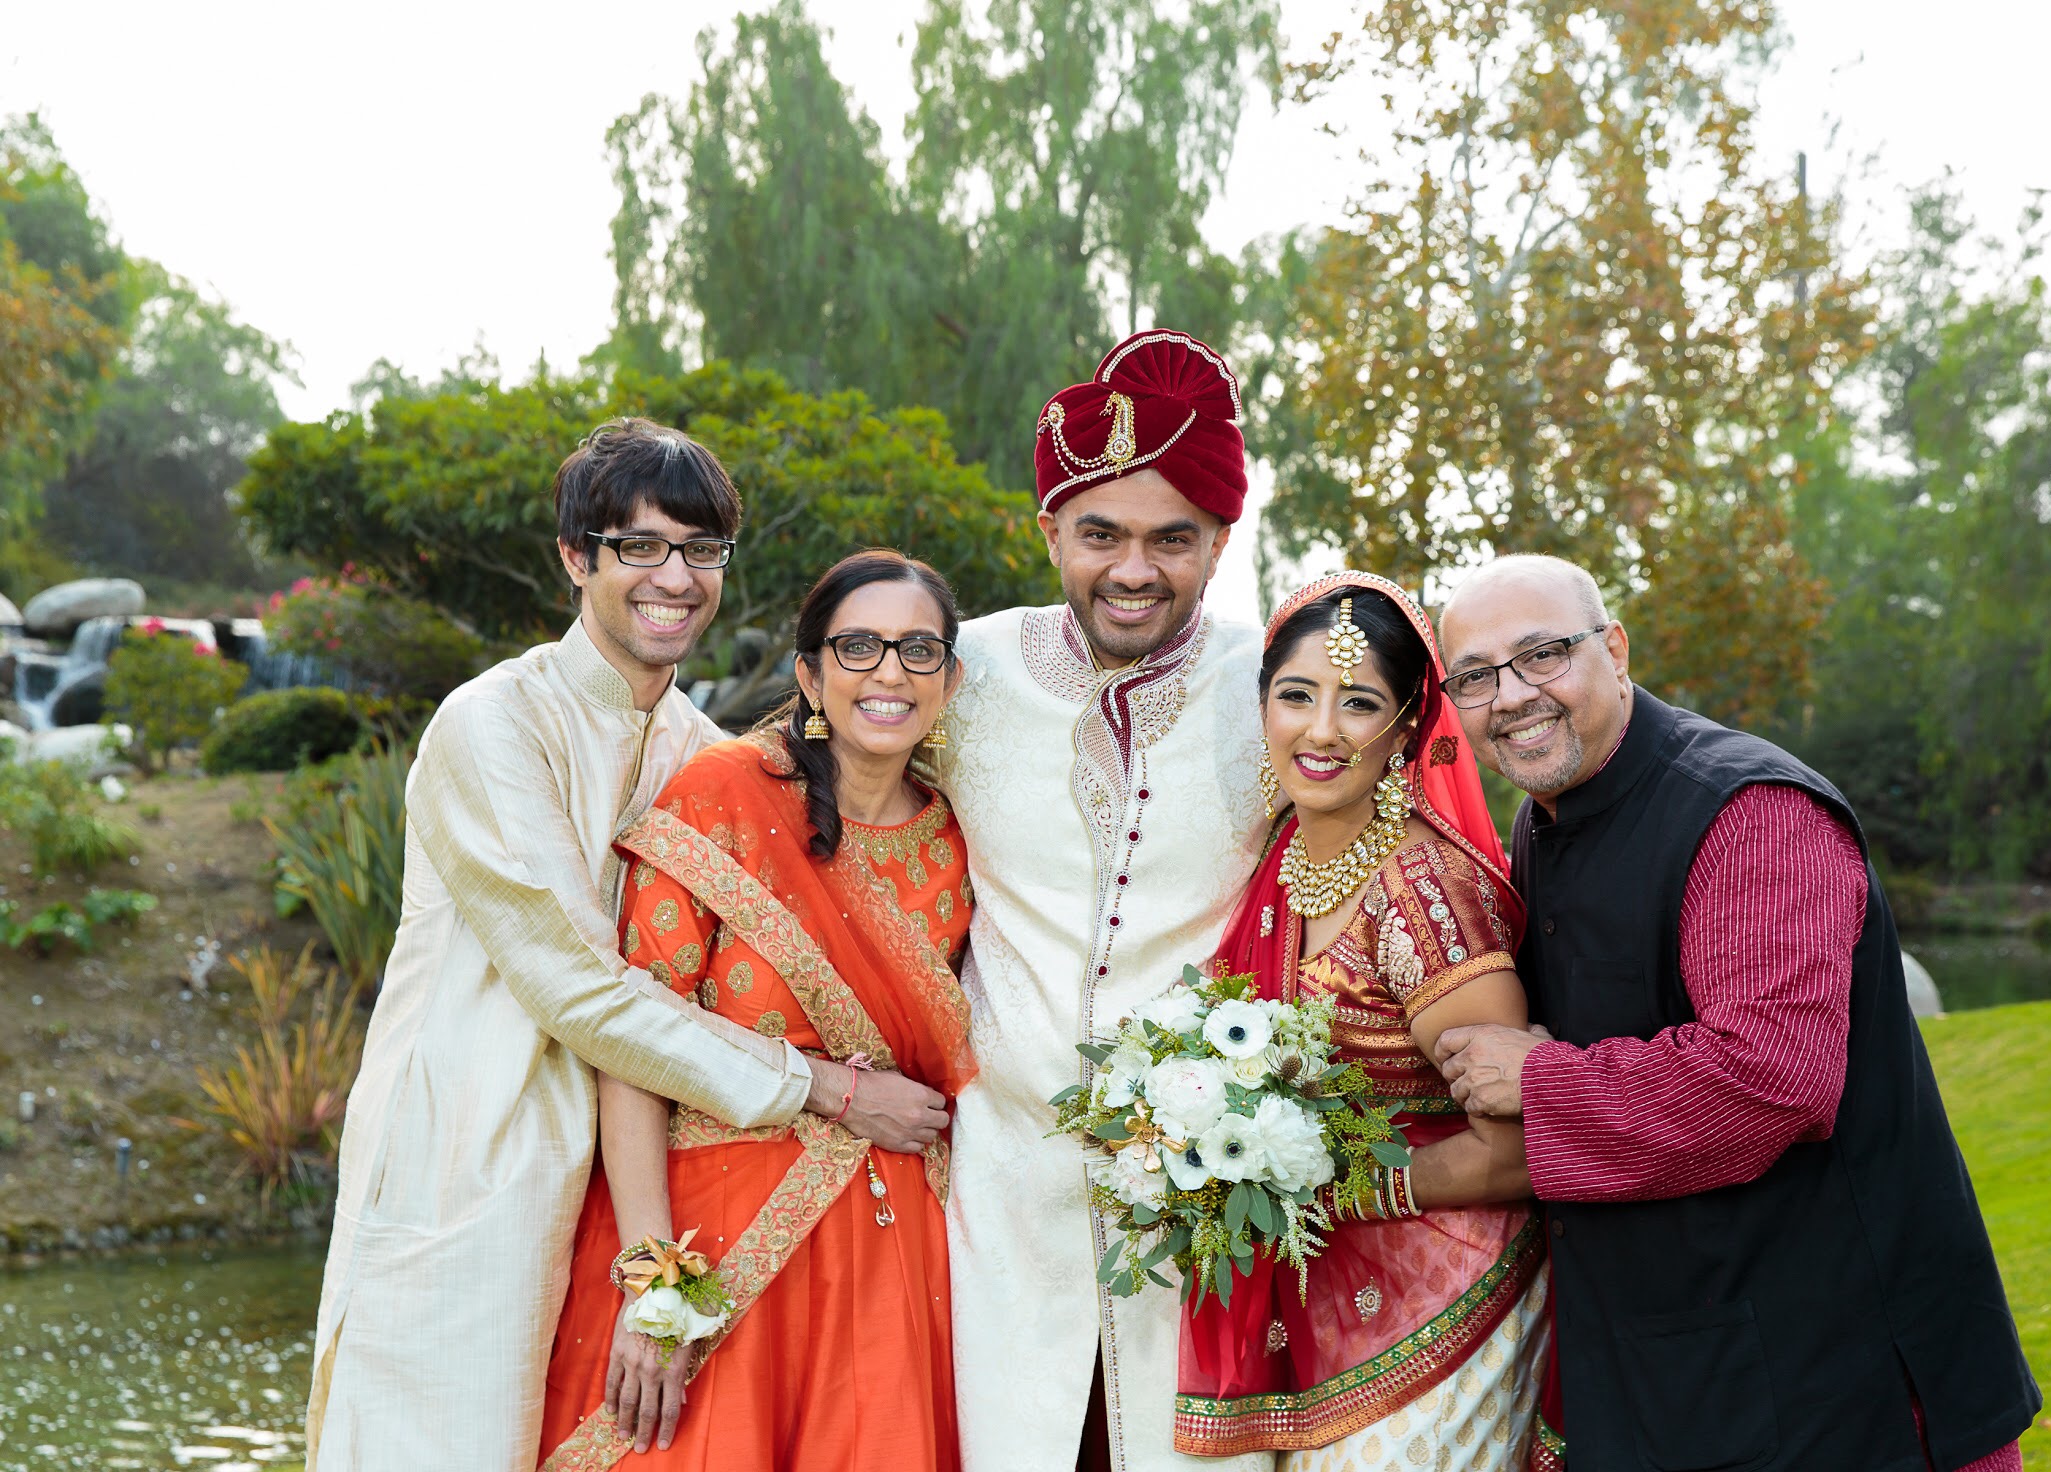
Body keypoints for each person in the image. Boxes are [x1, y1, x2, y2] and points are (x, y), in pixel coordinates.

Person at [306, 424, 944, 1472]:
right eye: (639, 546)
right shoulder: (494, 724)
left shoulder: (702, 752)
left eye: (700, 550)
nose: (675, 577)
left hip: (633, 1174)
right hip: (475, 1154)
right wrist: (822, 1087)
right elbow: (584, 989)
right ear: (575, 557)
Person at [1432, 553, 2037, 1472]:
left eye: (1543, 655)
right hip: (1694, 1365)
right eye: (1475, 676)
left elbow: (1772, 1080)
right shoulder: (1546, 819)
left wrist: (1539, 1079)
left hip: (1845, 1374)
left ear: (1617, 649)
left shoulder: (1748, 810)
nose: (1511, 695)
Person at [536, 550, 975, 1470]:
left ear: (951, 678)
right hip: (712, 1244)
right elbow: (634, 1047)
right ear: (810, 675)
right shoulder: (722, 798)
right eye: (858, 647)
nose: (889, 672)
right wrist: (654, 1284)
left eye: (918, 650)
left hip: (896, 1263)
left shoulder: (961, 841)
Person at [928, 329, 1273, 1472]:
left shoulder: (1281, 686)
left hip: (1206, 1205)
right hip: (998, 1191)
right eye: (1101, 534)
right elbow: (811, 762)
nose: (1135, 568)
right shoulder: (957, 668)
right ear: (1048, 532)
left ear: (1221, 540)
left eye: (1173, 538)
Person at [1174, 573, 1563, 1472]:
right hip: (1327, 1287)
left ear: (1404, 728)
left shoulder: (1425, 896)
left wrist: (1330, 1189)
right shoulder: (1283, 856)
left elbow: (1512, 1149)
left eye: (1359, 704)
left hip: (1450, 1295)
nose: (1321, 730)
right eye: (1296, 695)